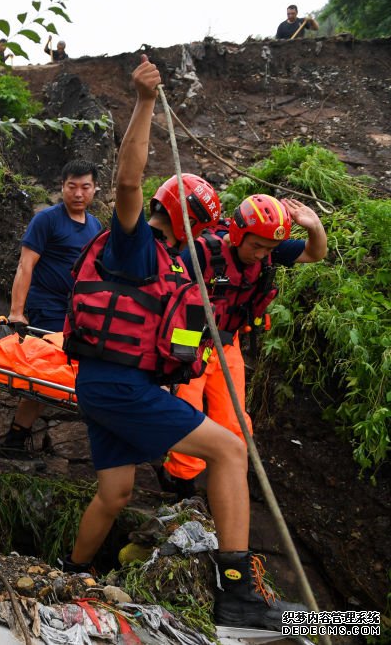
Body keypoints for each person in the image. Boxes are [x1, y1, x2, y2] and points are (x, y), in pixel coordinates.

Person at [62, 54, 308, 631]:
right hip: (121, 385)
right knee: (229, 449)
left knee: (116, 494)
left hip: (111, 385)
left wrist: (307, 230)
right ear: (186, 216)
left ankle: (68, 572)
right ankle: (238, 596)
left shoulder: (177, 260)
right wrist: (145, 102)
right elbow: (127, 181)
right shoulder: (137, 248)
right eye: (205, 221)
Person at [160, 194, 327, 496]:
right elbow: (164, 295)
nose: (262, 255)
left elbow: (315, 253)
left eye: (269, 249)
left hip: (227, 340)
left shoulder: (268, 252)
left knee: (234, 420)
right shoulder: (201, 253)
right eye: (257, 246)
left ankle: (229, 484)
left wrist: (314, 226)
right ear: (237, 234)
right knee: (186, 413)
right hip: (191, 337)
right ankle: (179, 485)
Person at [3, 159, 102, 453]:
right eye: (72, 186)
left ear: (95, 189)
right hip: (47, 306)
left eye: (85, 187)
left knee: (65, 372)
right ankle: (15, 439)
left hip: (78, 313)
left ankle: (17, 438)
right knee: (47, 370)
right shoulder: (47, 220)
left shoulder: (95, 226)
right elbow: (25, 265)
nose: (78, 193)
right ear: (62, 187)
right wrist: (17, 312)